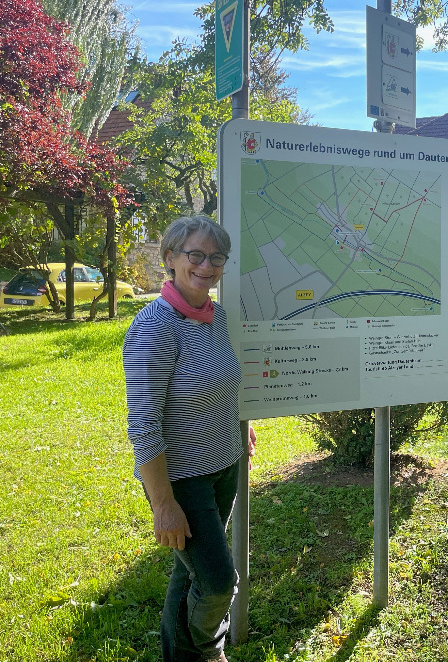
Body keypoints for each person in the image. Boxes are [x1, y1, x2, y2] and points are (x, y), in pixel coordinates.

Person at [124, 215, 254, 662]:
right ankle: (206, 650)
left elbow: (218, 380)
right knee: (218, 580)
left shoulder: (212, 317)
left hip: (224, 465)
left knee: (189, 573)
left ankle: (179, 656)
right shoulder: (156, 325)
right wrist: (163, 504)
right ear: (170, 259)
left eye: (216, 256)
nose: (207, 265)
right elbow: (143, 423)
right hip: (183, 479)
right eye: (195, 255)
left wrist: (235, 421)